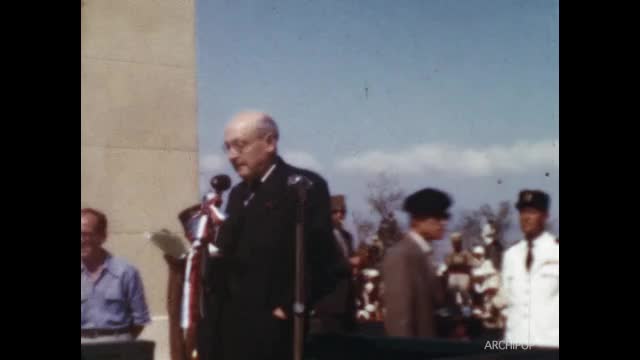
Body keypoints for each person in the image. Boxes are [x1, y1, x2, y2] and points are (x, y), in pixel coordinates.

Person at [201, 111, 346, 360]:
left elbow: (323, 261)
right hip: (228, 328)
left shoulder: (302, 187)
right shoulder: (237, 195)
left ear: (269, 142)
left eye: (240, 145)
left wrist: (286, 309)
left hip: (272, 334)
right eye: (227, 148)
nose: (232, 156)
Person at [382, 188, 449, 338]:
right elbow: (399, 321)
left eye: (445, 217)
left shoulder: (423, 253)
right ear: (417, 220)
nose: (443, 223)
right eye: (437, 217)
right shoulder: (402, 256)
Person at [81, 208, 151, 343]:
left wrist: (118, 340)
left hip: (117, 345)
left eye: (86, 234)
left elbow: (139, 320)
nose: (81, 240)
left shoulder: (125, 272)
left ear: (102, 236)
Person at [500, 190, 559, 347]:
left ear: (545, 216)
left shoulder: (556, 251)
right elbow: (506, 300)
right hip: (515, 344)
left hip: (550, 345)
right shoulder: (511, 255)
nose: (526, 218)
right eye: (522, 212)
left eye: (532, 212)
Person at [311, 195, 359, 333]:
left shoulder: (347, 236)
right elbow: (323, 264)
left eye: (342, 212)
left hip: (348, 299)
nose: (339, 215)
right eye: (335, 212)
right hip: (330, 299)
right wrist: (348, 263)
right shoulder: (320, 236)